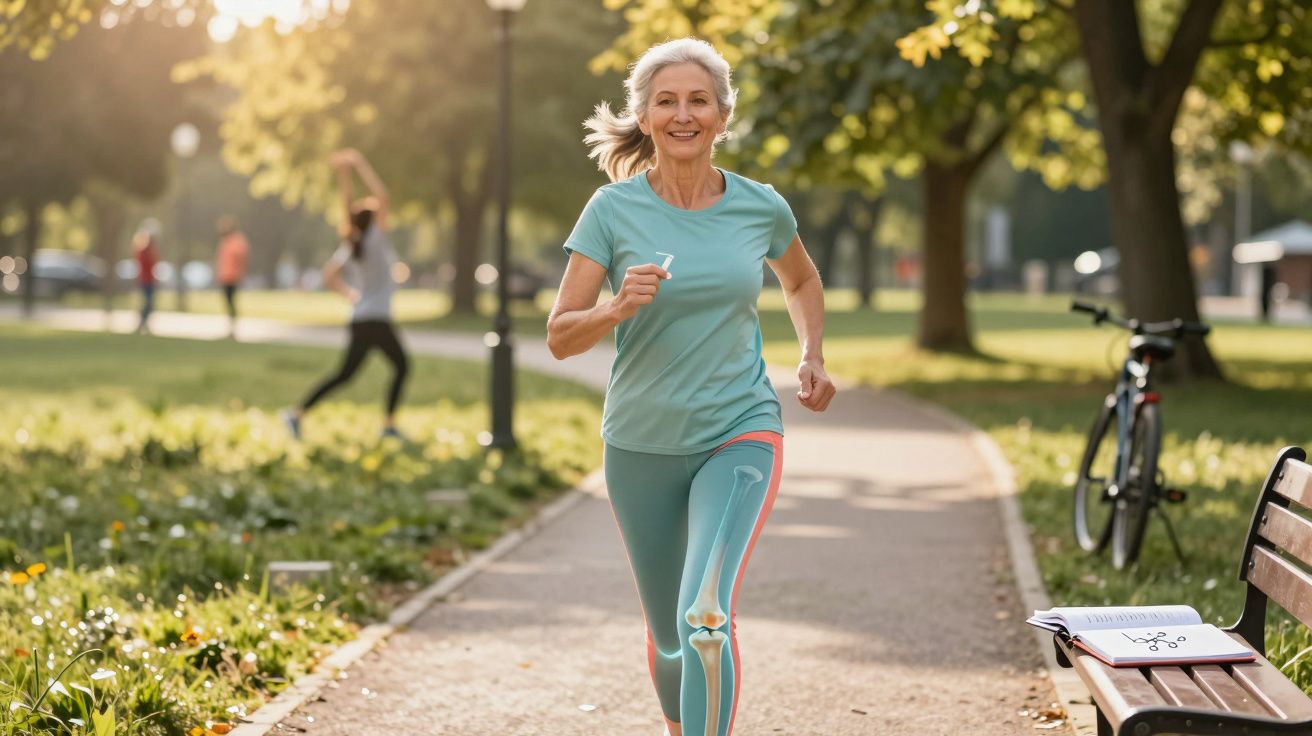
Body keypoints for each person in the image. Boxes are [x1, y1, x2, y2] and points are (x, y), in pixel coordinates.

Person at [546, 38, 835, 736]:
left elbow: (799, 278)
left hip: (738, 428)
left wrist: (812, 354)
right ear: (644, 117)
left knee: (704, 612)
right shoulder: (611, 212)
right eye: (667, 101)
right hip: (640, 443)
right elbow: (559, 335)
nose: (684, 113)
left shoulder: (759, 206)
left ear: (723, 114)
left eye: (698, 100)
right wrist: (614, 308)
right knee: (671, 634)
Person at [282, 148, 409, 441]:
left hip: (361, 316)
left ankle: (296, 414)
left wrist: (342, 175)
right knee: (401, 367)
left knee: (345, 374)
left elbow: (329, 274)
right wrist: (359, 164)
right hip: (375, 318)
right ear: (374, 220)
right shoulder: (376, 241)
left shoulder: (352, 246)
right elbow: (383, 195)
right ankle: (388, 425)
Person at [215, 215, 250, 338]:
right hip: (225, 276)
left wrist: (240, 273)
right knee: (227, 302)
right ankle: (230, 327)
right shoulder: (225, 241)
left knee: (231, 302)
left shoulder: (237, 241)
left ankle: (233, 328)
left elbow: (241, 259)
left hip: (233, 277)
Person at [133, 223, 160, 335]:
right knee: (148, 304)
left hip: (150, 280)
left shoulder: (150, 250)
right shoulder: (144, 251)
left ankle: (144, 325)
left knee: (150, 304)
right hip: (145, 280)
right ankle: (141, 324)